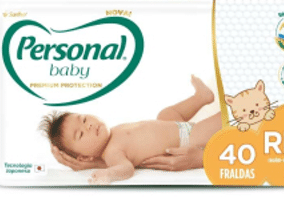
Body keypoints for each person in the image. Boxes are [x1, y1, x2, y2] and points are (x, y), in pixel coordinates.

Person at [43, 76, 220, 184]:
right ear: (85, 157)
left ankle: (201, 97)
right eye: (80, 134)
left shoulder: (112, 133)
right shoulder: (112, 154)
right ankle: (231, 111)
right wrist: (110, 174)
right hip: (187, 140)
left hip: (174, 127)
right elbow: (126, 169)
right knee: (223, 120)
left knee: (165, 114)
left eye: (83, 119)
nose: (88, 125)